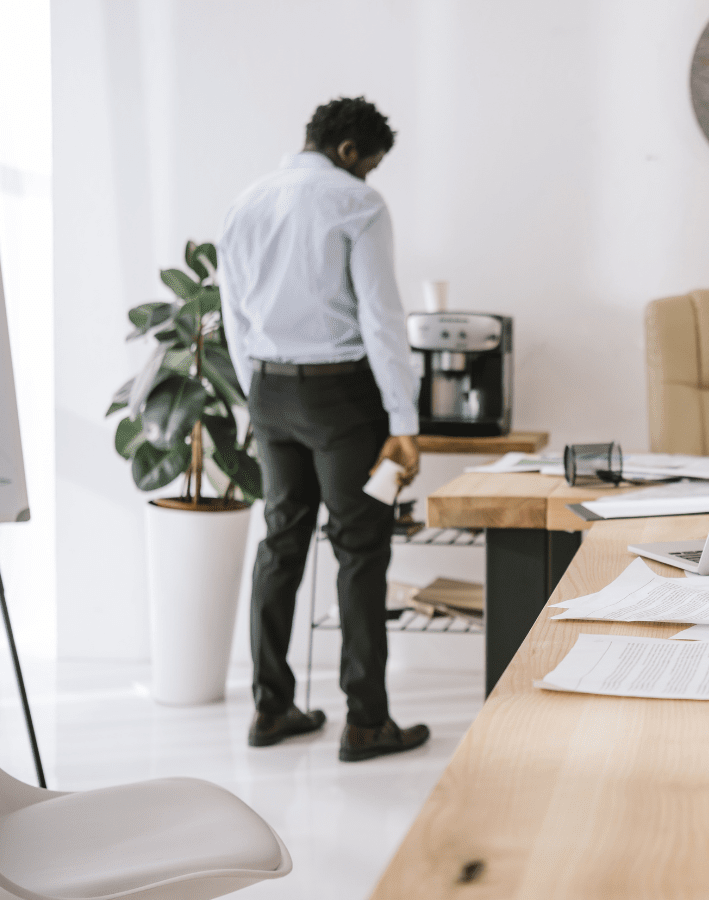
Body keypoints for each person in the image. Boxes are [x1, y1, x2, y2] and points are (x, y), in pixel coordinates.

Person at [219, 96, 428, 762]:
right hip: (344, 398)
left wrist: (260, 393)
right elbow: (381, 318)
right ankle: (366, 721)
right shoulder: (356, 203)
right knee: (361, 548)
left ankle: (271, 709)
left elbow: (234, 314)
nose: (368, 176)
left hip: (271, 391)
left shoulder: (247, 200)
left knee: (281, 543)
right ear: (348, 151)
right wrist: (403, 422)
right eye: (369, 163)